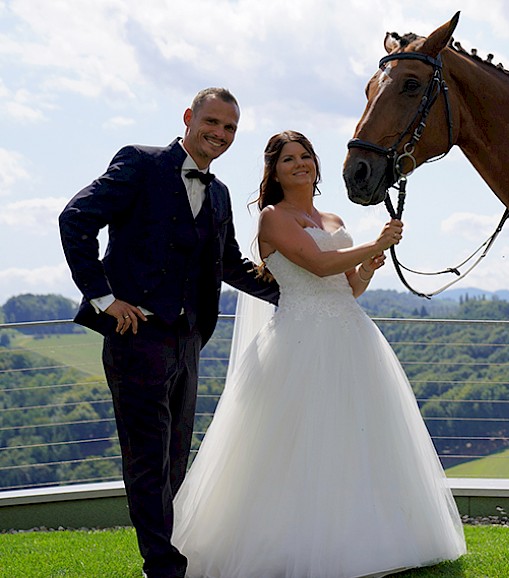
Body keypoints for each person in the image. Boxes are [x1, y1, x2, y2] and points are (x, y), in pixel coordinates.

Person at [171, 130, 466, 577]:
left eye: (306, 155)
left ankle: (366, 538)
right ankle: (287, 542)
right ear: (274, 170)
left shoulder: (330, 217)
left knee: (354, 438)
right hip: (299, 339)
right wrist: (376, 243)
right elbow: (318, 264)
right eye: (289, 159)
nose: (300, 164)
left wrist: (366, 266)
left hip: (350, 335)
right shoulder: (273, 217)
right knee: (297, 444)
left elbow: (348, 286)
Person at [59, 88, 281, 578]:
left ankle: (164, 553)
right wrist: (103, 298)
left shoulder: (220, 193)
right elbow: (75, 219)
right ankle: (163, 567)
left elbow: (229, 265)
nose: (220, 134)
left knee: (175, 459)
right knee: (148, 460)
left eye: (230, 129)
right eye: (213, 122)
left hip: (187, 341)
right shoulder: (140, 163)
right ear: (188, 117)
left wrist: (294, 293)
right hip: (136, 336)